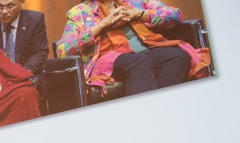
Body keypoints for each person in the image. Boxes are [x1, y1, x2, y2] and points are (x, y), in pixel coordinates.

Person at [56, 0, 211, 97]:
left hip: (147, 49)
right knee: (139, 62)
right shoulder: (79, 12)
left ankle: (161, 107)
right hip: (109, 58)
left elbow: (175, 15)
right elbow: (62, 49)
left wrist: (139, 14)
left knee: (178, 57)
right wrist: (103, 24)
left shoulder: (137, 1)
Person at [0, 0, 49, 75]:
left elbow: (40, 53)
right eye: (1, 7)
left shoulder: (34, 21)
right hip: (0, 79)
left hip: (27, 74)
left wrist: (21, 74)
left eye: (10, 6)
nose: (4, 12)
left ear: (22, 4)